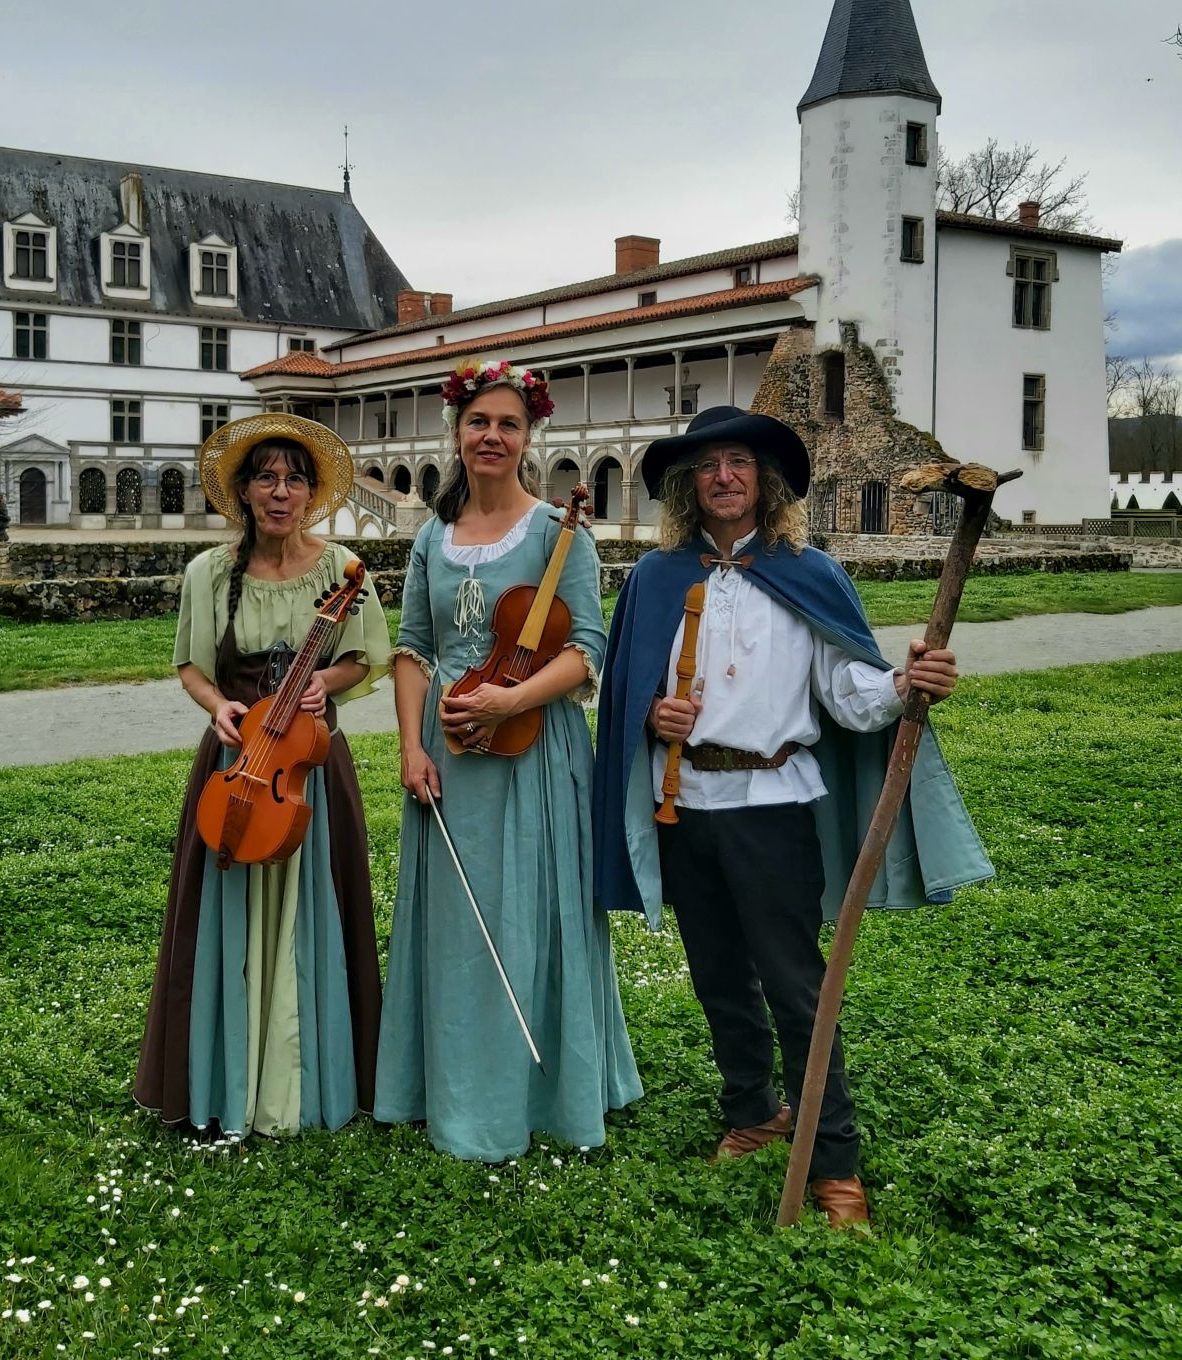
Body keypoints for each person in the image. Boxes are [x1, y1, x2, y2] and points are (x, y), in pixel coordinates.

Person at [592, 407, 994, 1225]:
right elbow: (625, 692)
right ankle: (752, 1113)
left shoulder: (809, 571)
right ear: (687, 486)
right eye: (707, 467)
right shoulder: (655, 578)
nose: (724, 478)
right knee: (716, 977)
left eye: (738, 462)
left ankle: (834, 1159)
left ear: (765, 479)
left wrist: (905, 685)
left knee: (796, 985)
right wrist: (649, 719)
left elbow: (849, 697)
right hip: (685, 805)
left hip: (774, 806)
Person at [375, 359, 642, 1160]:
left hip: (533, 752)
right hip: (450, 759)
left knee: (528, 910)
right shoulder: (431, 537)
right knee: (459, 925)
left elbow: (587, 652)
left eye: (509, 424)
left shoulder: (563, 538)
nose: (492, 436)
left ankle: (536, 1092)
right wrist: (411, 745)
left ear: (530, 437)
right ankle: (451, 1085)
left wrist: (510, 700)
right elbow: (414, 650)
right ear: (456, 432)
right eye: (478, 422)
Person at [135, 412, 390, 1138]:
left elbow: (367, 654)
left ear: (313, 493)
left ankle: (311, 1081)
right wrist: (218, 706)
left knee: (317, 909)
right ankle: (226, 1073)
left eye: (296, 478)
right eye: (267, 478)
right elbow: (190, 663)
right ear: (244, 492)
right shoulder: (210, 573)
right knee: (225, 909)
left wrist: (327, 683)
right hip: (238, 762)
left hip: (308, 764)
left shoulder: (343, 571)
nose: (282, 491)